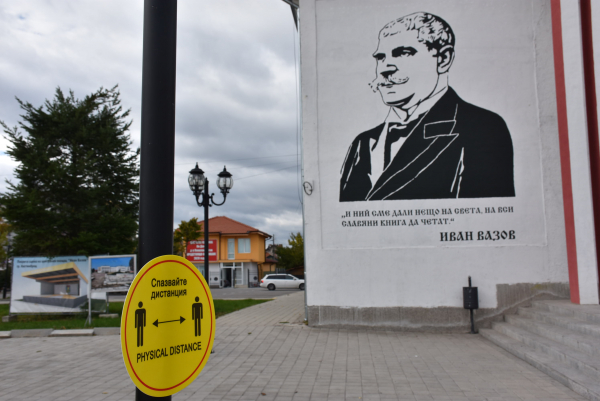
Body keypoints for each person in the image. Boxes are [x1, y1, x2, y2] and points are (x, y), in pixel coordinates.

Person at [340, 12, 515, 202]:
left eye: (403, 53)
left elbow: (483, 213)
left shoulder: (481, 127)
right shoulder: (363, 142)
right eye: (380, 57)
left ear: (443, 59)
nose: (385, 68)